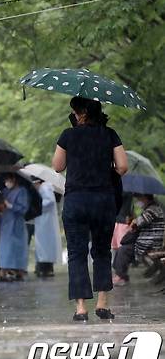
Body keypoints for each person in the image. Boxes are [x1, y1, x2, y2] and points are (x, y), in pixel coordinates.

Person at [52, 96, 128, 321]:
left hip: (76, 200)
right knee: (102, 251)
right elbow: (122, 166)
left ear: (82, 113)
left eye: (75, 111)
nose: (74, 115)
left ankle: (81, 308)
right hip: (103, 200)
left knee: (77, 253)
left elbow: (57, 166)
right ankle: (103, 303)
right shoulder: (110, 134)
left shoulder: (68, 135)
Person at [113, 194, 164, 286]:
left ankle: (121, 277)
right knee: (123, 248)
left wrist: (133, 222)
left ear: (145, 198)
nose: (137, 201)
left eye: (139, 198)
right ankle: (119, 274)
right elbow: (139, 223)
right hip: (148, 242)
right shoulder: (152, 209)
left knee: (124, 250)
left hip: (149, 244)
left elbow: (138, 223)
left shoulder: (152, 210)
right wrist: (132, 221)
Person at [0, 173, 29, 281]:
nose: (7, 183)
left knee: (16, 248)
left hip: (16, 223)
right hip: (5, 223)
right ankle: (3, 272)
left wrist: (10, 205)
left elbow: (23, 209)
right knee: (5, 248)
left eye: (8, 180)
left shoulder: (21, 191)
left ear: (14, 179)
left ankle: (19, 271)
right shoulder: (5, 192)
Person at [32, 178, 62, 277]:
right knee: (43, 245)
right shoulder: (44, 188)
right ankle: (44, 267)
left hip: (45, 220)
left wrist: (37, 206)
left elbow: (49, 201)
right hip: (43, 220)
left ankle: (45, 268)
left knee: (44, 245)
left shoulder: (44, 187)